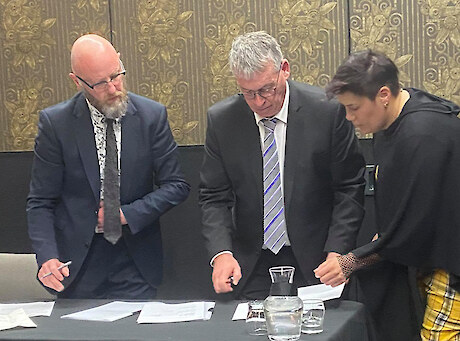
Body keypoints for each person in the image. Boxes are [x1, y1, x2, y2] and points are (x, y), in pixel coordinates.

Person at [199, 31, 366, 300]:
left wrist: (338, 250)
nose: (259, 101)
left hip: (318, 260)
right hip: (251, 263)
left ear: (284, 70)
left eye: (267, 89)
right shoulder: (223, 121)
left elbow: (349, 187)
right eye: (248, 92)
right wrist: (221, 253)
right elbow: (214, 196)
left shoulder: (327, 112)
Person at [26, 34, 190, 299]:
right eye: (101, 83)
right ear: (77, 81)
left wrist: (126, 214)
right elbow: (40, 201)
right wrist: (47, 257)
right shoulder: (56, 124)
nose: (113, 88)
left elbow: (176, 185)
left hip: (135, 260)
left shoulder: (152, 116)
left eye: (116, 75)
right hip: (79, 265)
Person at [316, 49, 460, 341]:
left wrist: (349, 261)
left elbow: (411, 227)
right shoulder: (392, 122)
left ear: (383, 95)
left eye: (354, 107)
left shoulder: (423, 136)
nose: (349, 116)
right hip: (436, 253)